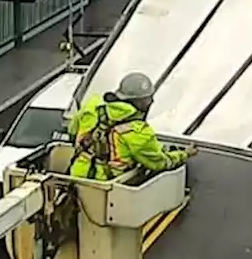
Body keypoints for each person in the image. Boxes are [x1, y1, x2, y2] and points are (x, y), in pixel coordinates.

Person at [68, 72, 196, 180]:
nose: (152, 101)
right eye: (147, 99)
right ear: (138, 101)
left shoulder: (93, 104)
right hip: (104, 185)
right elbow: (158, 163)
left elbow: (72, 130)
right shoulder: (137, 131)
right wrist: (183, 154)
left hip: (76, 174)